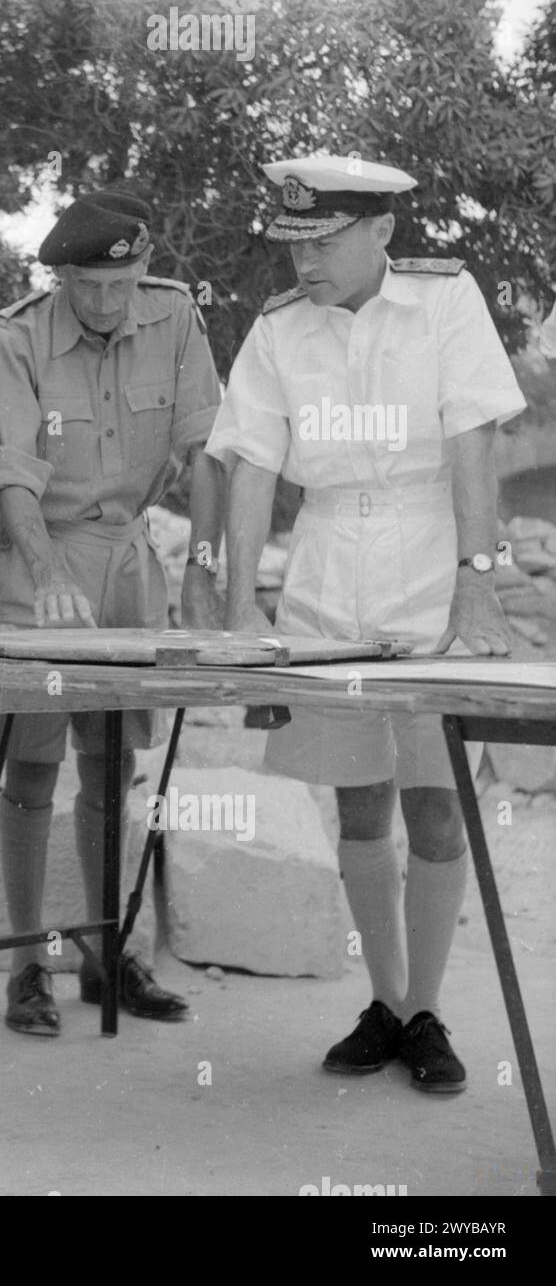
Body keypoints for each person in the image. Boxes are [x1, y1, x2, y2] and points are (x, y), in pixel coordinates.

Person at [206, 153, 526, 1093]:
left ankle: (426, 1009)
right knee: (357, 798)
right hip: (327, 570)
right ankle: (385, 1002)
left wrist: (477, 578)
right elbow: (252, 462)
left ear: (381, 231)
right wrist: (237, 614)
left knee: (436, 800)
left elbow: (473, 435)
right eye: (294, 241)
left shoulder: (445, 299)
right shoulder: (276, 330)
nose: (304, 261)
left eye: (326, 239)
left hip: (431, 561)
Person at [0, 190, 225, 1037]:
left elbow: (207, 449)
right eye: (90, 289)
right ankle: (23, 966)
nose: (110, 305)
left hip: (127, 559)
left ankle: (104, 952)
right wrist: (44, 574)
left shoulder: (175, 316)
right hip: (38, 552)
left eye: (123, 286)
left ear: (144, 270)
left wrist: (205, 568)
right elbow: (9, 473)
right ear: (63, 278)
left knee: (112, 764)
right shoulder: (18, 337)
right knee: (32, 768)